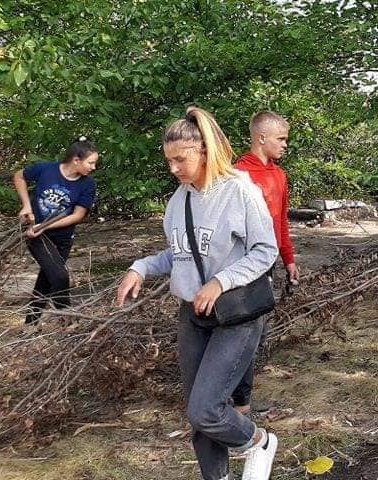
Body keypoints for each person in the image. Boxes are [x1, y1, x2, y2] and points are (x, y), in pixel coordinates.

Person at [115, 107, 279, 480]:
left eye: (181, 159)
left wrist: (220, 281)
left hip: (235, 314)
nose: (173, 168)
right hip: (192, 314)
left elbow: (265, 251)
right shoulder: (179, 200)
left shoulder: (239, 190)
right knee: (197, 415)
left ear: (204, 151)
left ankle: (258, 442)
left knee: (207, 409)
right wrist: (140, 267)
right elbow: (180, 255)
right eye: (168, 161)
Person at [231, 111, 298, 416]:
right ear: (261, 138)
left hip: (267, 264)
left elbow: (281, 221)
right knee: (242, 329)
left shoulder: (279, 176)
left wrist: (289, 258)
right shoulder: (237, 175)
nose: (285, 144)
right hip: (240, 265)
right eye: (280, 139)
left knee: (257, 330)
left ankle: (240, 400)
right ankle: (238, 404)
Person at [13, 137, 99, 326]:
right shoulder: (46, 169)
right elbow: (19, 176)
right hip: (38, 236)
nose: (93, 167)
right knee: (60, 277)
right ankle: (68, 322)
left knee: (47, 278)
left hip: (62, 239)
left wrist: (44, 226)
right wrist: (26, 205)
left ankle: (30, 324)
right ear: (76, 160)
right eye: (90, 163)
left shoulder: (88, 184)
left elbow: (77, 216)